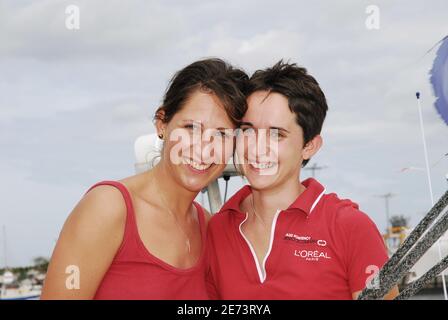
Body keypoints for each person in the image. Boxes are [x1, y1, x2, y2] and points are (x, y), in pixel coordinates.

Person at [41, 58, 248, 299]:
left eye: (222, 135)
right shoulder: (108, 208)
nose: (204, 147)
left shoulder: (212, 228)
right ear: (162, 123)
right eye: (191, 128)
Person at [206, 60, 398, 300]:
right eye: (247, 130)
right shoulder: (216, 230)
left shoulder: (350, 228)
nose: (256, 148)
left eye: (277, 134)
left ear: (309, 146)